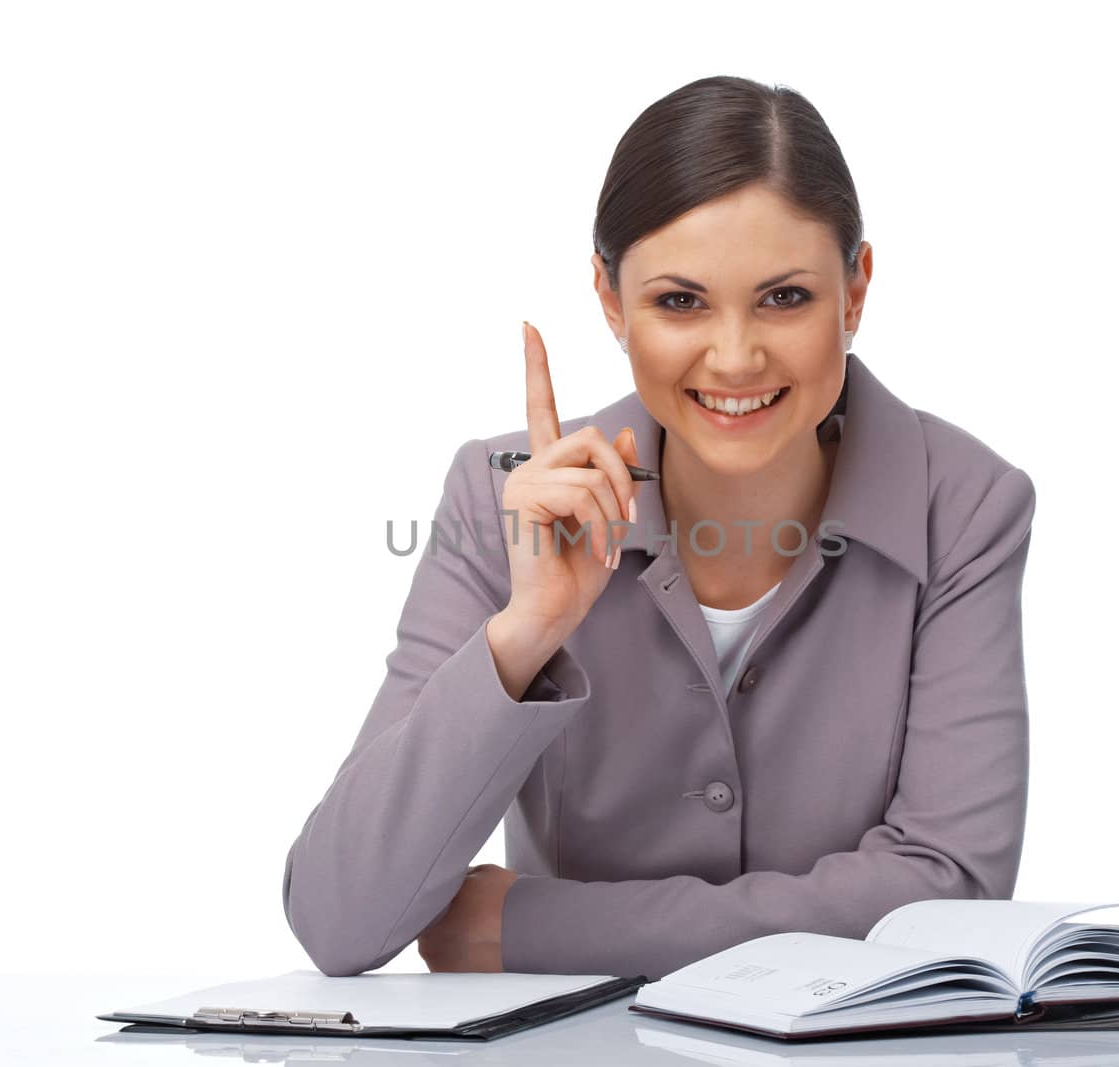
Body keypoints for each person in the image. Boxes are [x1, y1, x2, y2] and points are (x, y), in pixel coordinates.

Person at [282, 74, 1037, 981]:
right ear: (610, 301)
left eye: (785, 298)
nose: (733, 356)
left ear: (856, 289)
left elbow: (946, 895)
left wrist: (527, 928)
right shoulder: (505, 499)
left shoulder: (963, 506)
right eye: (680, 302)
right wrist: (523, 638)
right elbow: (337, 917)